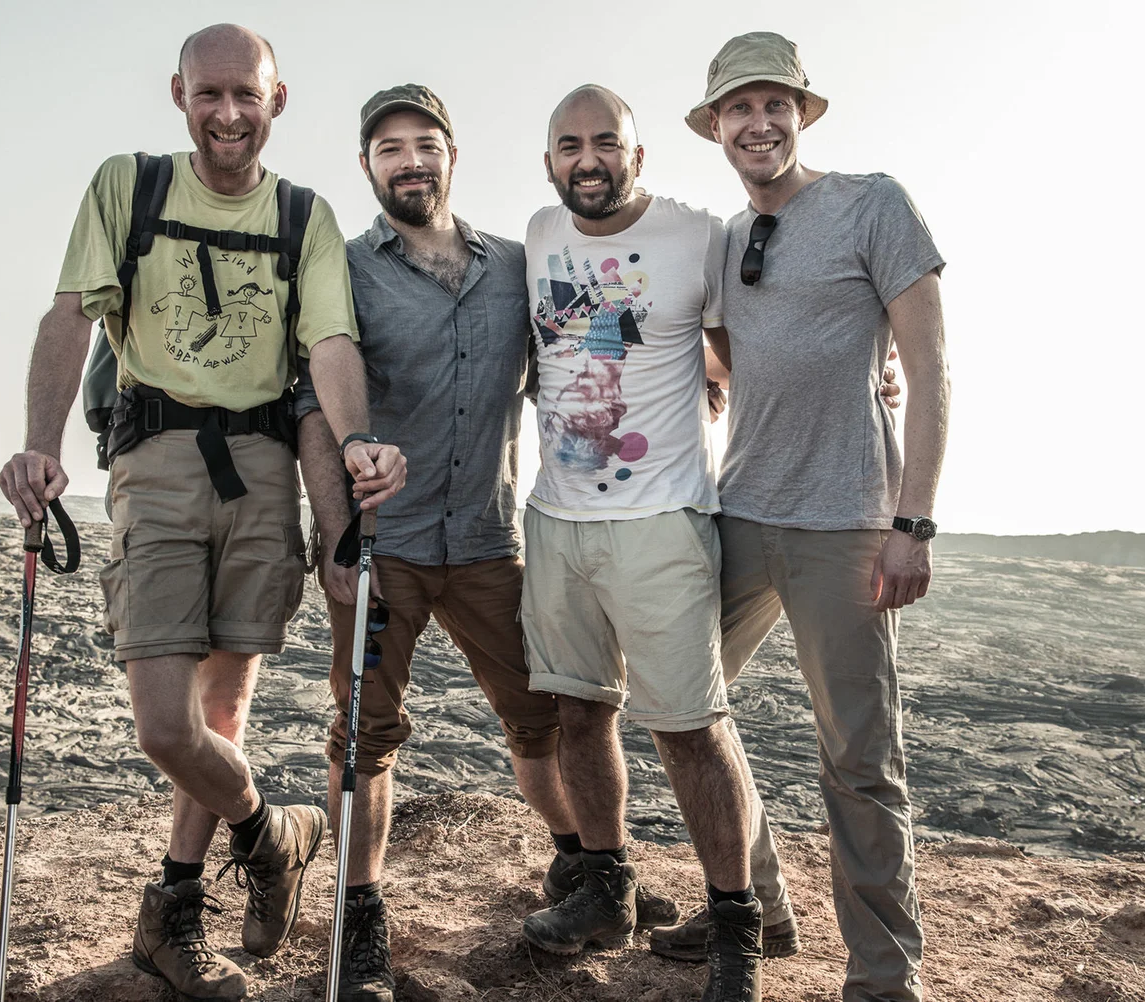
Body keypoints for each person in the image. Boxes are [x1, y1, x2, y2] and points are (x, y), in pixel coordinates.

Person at [0, 24, 404, 1002]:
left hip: (262, 471)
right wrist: (40, 442)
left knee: (225, 709)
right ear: (179, 94)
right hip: (156, 465)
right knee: (166, 728)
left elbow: (331, 346)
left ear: (277, 100)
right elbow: (70, 315)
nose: (228, 114)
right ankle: (272, 834)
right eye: (209, 94)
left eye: (246, 95)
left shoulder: (302, 216)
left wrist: (354, 445)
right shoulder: (129, 186)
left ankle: (173, 911)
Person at [297, 84, 676, 1002]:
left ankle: (586, 869)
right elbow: (310, 404)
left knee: (543, 720)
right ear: (367, 166)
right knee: (364, 737)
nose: (410, 162)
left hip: (487, 542)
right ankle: (360, 919)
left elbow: (592, 352)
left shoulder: (515, 265)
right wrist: (335, 533)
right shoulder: (342, 270)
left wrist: (714, 368)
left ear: (452, 156)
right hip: (382, 546)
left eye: (425, 144)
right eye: (390, 149)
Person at [658, 32, 952, 1002]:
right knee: (679, 704)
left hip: (848, 526)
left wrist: (913, 522)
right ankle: (758, 906)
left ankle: (883, 980)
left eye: (774, 104)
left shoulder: (873, 204)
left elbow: (931, 369)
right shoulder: (723, 240)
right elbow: (731, 354)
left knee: (859, 762)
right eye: (739, 108)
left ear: (800, 114)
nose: (758, 123)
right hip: (740, 513)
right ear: (715, 127)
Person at [515, 85, 760, 1002]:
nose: (589, 159)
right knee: (580, 713)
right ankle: (605, 888)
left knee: (691, 728)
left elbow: (745, 351)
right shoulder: (539, 235)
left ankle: (734, 927)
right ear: (549, 160)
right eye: (570, 144)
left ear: (637, 154)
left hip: (661, 521)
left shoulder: (697, 235)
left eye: (606, 142)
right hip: (558, 517)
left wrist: (871, 372)